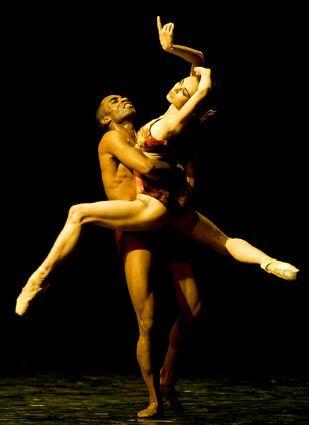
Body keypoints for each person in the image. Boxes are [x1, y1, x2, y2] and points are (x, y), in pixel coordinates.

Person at [16, 27, 298, 316]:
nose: (177, 86)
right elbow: (199, 60)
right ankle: (269, 262)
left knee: (78, 212)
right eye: (179, 83)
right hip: (176, 204)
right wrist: (172, 49)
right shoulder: (162, 120)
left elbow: (153, 159)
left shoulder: (168, 125)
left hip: (154, 204)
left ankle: (37, 279)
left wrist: (204, 88)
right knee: (223, 242)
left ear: (190, 102)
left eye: (182, 90)